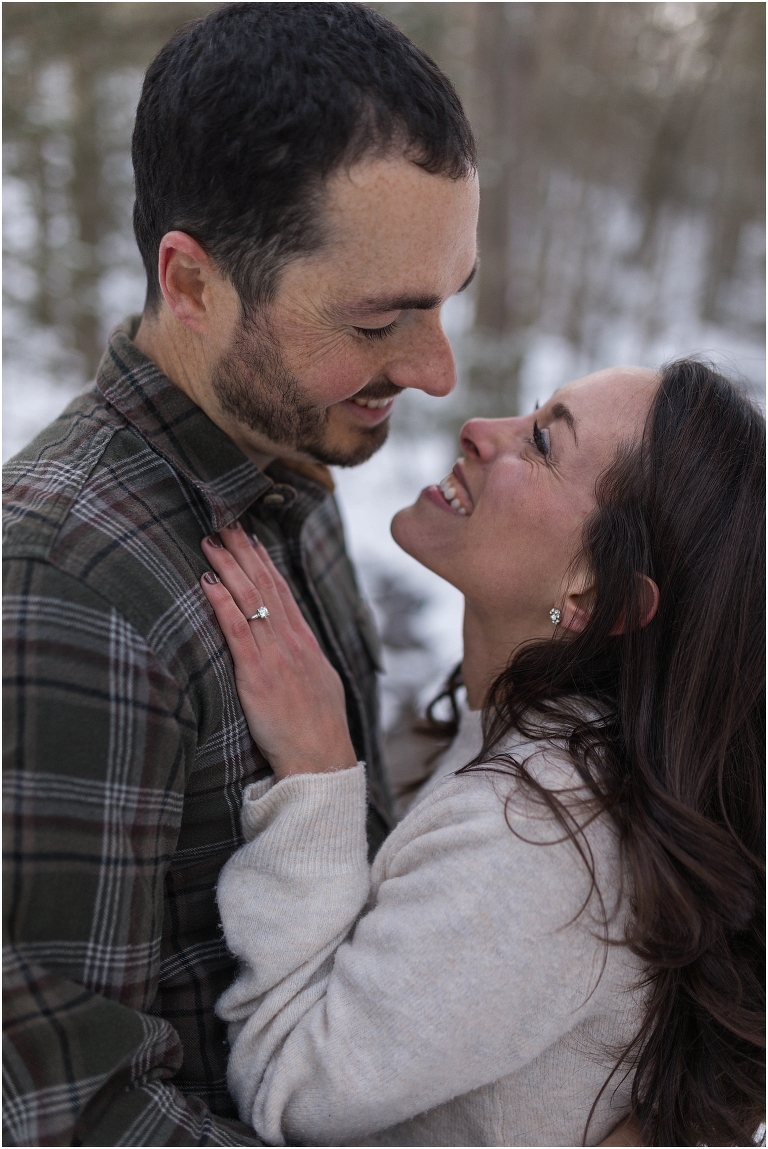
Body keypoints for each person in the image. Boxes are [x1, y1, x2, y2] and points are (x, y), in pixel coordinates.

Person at [2, 5, 479, 1144]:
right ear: (195, 281)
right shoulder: (65, 595)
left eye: (447, 297)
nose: (435, 368)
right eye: (381, 321)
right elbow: (68, 1114)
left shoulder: (289, 460)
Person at [201, 360, 765, 1147]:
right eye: (533, 409)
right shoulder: (553, 759)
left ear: (591, 595)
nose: (479, 428)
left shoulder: (537, 835)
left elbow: (285, 1088)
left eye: (540, 442)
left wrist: (316, 775)